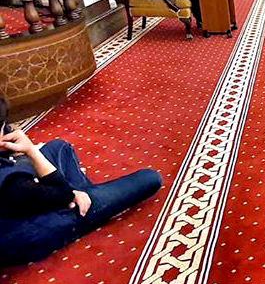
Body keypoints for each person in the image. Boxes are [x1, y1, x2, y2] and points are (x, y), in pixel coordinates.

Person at [0, 100, 162, 266]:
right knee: (149, 178)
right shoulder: (14, 186)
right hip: (29, 231)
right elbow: (63, 193)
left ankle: (86, 197)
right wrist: (32, 151)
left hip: (26, 194)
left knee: (59, 147)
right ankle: (89, 209)